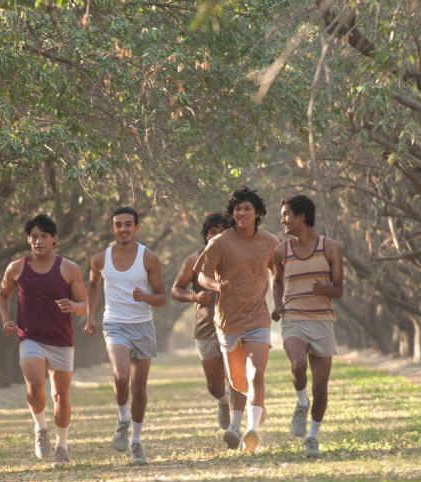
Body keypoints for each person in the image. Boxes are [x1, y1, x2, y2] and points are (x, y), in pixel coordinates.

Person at [0, 214, 88, 467]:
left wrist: (73, 306)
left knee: (60, 396)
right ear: (28, 239)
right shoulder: (16, 268)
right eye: (34, 237)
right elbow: (3, 295)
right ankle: (40, 428)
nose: (38, 241)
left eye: (44, 237)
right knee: (35, 387)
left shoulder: (69, 269)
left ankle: (62, 445)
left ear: (54, 239)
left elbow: (84, 306)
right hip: (30, 337)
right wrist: (6, 320)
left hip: (61, 341)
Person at [194, 187, 279, 453]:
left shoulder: (269, 242)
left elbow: (278, 273)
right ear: (233, 213)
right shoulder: (220, 242)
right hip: (227, 321)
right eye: (237, 209)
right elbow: (202, 276)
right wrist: (217, 286)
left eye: (247, 208)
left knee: (257, 374)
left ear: (257, 213)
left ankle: (251, 430)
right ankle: (239, 423)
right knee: (237, 380)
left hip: (257, 317)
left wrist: (280, 300)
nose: (242, 213)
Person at [86, 207, 166, 465]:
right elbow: (93, 287)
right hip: (115, 324)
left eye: (128, 224)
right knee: (121, 376)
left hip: (142, 327)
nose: (123, 229)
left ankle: (136, 442)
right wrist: (89, 317)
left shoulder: (149, 259)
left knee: (139, 388)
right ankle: (122, 419)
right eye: (118, 225)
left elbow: (162, 298)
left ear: (137, 228)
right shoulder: (100, 260)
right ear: (112, 229)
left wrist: (144, 297)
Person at [271, 195, 344, 458]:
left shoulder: (331, 248)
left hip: (323, 320)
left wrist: (325, 289)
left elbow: (339, 290)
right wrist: (278, 305)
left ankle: (313, 436)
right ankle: (301, 403)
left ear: (302, 216)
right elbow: (277, 281)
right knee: (297, 364)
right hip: (294, 319)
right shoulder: (282, 250)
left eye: (287, 214)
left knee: (321, 388)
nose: (283, 220)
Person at [170, 212, 236, 430]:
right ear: (206, 236)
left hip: (234, 326)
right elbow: (176, 290)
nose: (216, 237)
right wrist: (194, 297)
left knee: (236, 379)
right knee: (215, 385)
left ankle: (238, 426)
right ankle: (223, 402)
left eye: (222, 232)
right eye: (212, 233)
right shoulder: (194, 260)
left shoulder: (238, 258)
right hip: (205, 329)